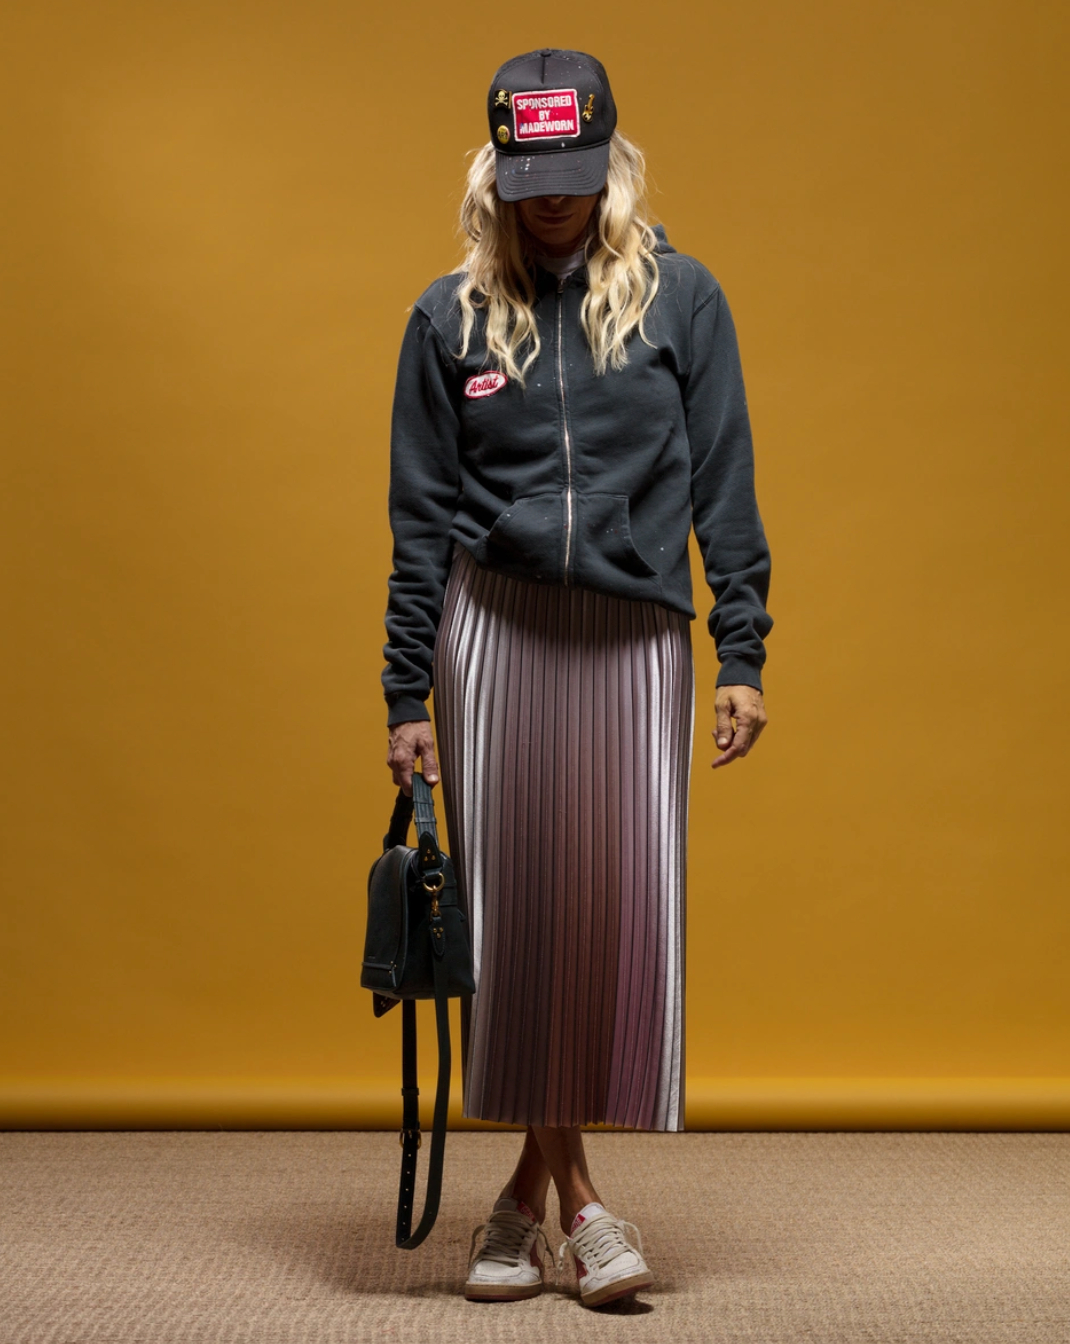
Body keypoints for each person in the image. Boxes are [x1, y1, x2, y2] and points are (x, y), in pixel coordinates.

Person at [381, 48, 773, 1309]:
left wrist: (742, 650)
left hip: (634, 638)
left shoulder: (683, 299)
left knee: (606, 920)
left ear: (610, 166)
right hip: (490, 634)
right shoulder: (445, 319)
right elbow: (419, 516)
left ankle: (513, 1206)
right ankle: (588, 1208)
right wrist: (403, 692)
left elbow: (724, 483)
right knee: (512, 925)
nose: (551, 200)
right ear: (495, 169)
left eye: (573, 176)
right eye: (527, 177)